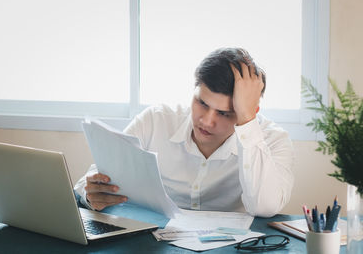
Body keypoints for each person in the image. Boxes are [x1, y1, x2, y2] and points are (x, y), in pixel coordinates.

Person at [74, 47, 294, 217]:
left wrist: (247, 121)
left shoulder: (273, 139)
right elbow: (90, 179)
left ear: (251, 111)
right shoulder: (155, 120)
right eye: (202, 103)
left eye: (225, 113)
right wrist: (91, 193)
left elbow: (265, 207)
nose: (207, 121)